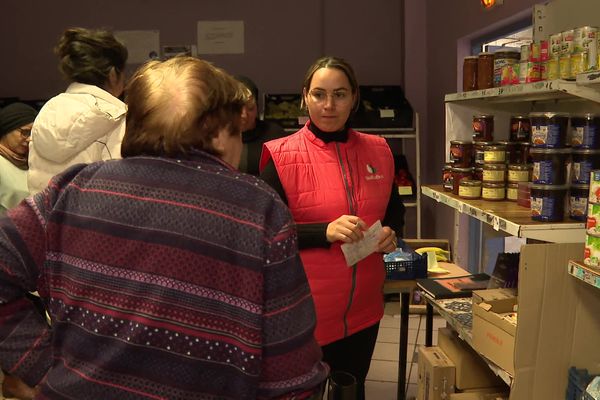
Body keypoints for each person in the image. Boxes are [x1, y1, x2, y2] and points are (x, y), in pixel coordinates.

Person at [0, 56, 328, 399]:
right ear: (219, 133)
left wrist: (45, 366)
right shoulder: (258, 209)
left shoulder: (72, 189)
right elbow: (291, 374)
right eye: (236, 129)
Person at [259, 56, 405, 399]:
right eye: (319, 94)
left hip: (364, 309)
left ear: (354, 98)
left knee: (351, 389)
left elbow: (395, 213)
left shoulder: (380, 150)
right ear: (305, 96)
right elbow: (265, 235)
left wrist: (390, 235)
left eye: (339, 94)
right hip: (307, 313)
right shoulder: (280, 155)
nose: (329, 105)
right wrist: (322, 231)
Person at [27, 27, 128, 194]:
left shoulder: (47, 111)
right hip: (91, 219)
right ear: (112, 74)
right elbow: (119, 189)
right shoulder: (114, 118)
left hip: (45, 217)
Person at [235, 75, 287, 175]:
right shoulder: (217, 137)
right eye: (237, 108)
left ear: (257, 108)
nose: (244, 115)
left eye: (250, 108)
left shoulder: (275, 136)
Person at [0, 103, 37, 213]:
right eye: (25, 132)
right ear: (7, 129)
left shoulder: (33, 162)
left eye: (33, 134)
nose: (29, 139)